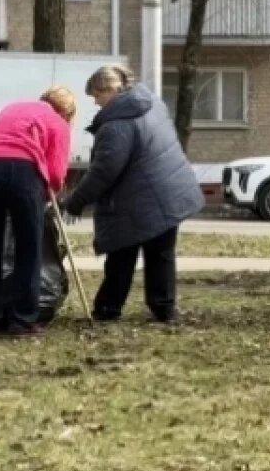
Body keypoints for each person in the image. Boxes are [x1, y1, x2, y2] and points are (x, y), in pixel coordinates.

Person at [60, 64, 204, 324]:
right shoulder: (152, 104)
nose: (96, 104)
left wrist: (74, 202)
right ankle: (164, 309)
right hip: (170, 190)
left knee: (121, 252)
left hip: (141, 199)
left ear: (110, 90)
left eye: (97, 96)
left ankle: (108, 309)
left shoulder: (116, 126)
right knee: (161, 253)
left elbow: (104, 171)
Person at [0, 85, 76, 337]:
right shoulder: (58, 122)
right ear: (67, 111)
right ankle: (23, 320)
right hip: (25, 173)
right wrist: (51, 193)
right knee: (29, 248)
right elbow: (57, 171)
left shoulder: (11, 108)